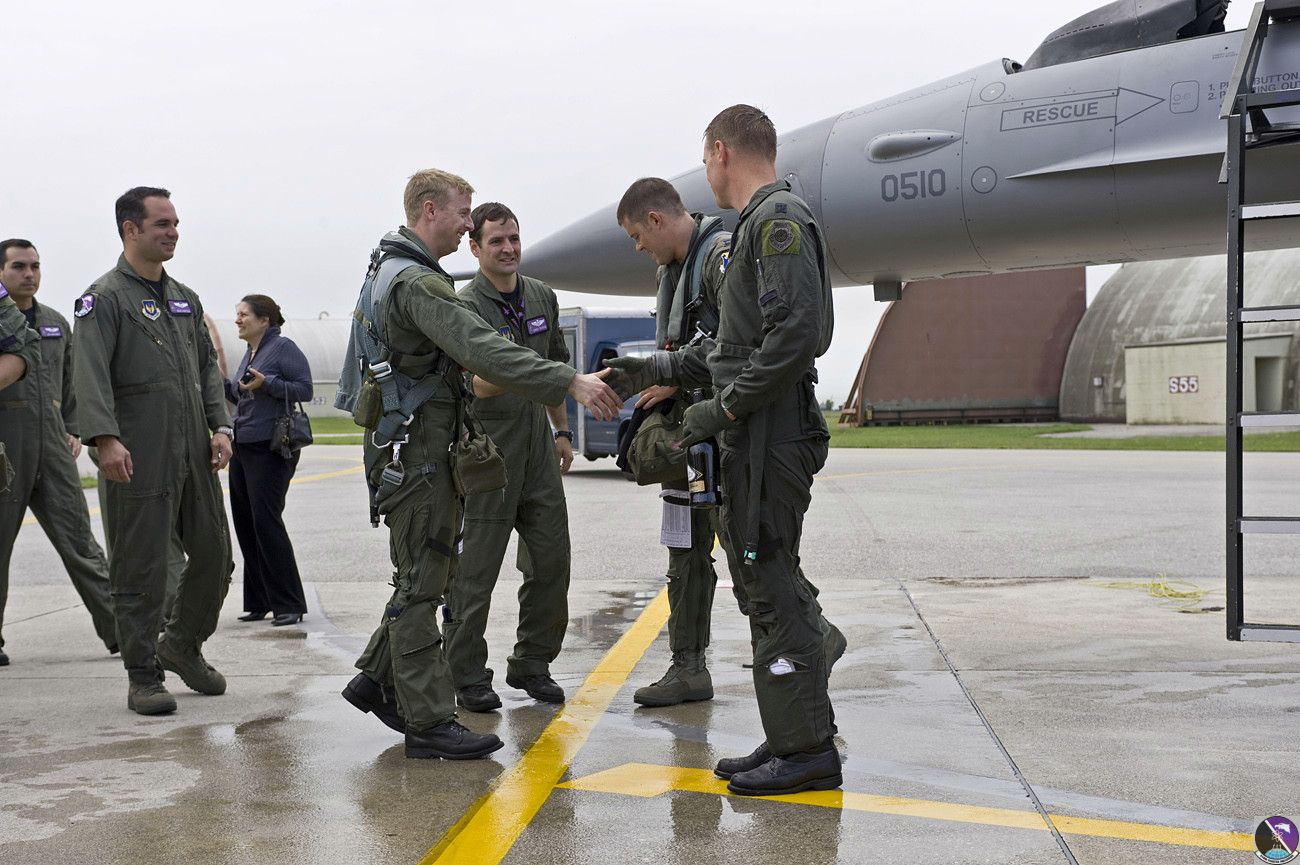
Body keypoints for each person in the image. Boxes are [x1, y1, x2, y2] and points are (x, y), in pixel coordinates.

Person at [337, 168, 622, 760]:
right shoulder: (418, 283)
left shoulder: (392, 268)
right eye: (464, 215)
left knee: (429, 574)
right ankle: (429, 721)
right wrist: (568, 381)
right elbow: (481, 350)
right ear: (430, 210)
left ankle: (375, 678)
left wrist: (558, 423)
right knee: (425, 585)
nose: (468, 224)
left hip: (425, 445)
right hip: (418, 452)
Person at [605, 105, 842, 796]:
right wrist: (650, 369)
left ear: (720, 152)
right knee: (761, 585)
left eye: (703, 157)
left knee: (770, 586)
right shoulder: (754, 225)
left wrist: (722, 409)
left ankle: (807, 749)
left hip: (769, 437)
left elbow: (795, 337)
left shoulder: (775, 221)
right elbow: (730, 347)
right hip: (754, 436)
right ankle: (792, 734)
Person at [72, 186, 235, 716]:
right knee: (139, 568)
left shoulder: (184, 298)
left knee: (215, 554)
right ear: (131, 229)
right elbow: (89, 373)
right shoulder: (103, 299)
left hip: (194, 449)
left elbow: (206, 367)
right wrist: (105, 439)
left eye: (175, 223)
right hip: (137, 452)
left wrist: (220, 426)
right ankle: (143, 675)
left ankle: (182, 644)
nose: (173, 232)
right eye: (162, 223)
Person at [442, 203, 574, 712]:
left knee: (551, 560)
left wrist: (562, 431)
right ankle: (466, 673)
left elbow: (556, 367)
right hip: (487, 451)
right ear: (475, 248)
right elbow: (476, 383)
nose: (508, 248)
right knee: (475, 572)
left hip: (538, 446)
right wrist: (525, 369)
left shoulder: (541, 296)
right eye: (496, 241)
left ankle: (532, 662)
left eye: (514, 238)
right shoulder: (464, 306)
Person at [614, 180, 731, 706]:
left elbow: (741, 346)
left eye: (638, 235)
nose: (639, 247)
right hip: (688, 439)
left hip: (723, 432)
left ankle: (811, 640)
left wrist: (670, 373)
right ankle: (688, 668)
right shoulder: (674, 272)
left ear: (657, 220)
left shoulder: (718, 259)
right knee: (684, 552)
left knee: (747, 555)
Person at [0, 240, 116, 667]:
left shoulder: (54, 322)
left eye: (35, 266)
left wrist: (73, 427)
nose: (29, 274)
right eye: (18, 266)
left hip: (51, 444)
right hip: (6, 444)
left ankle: (121, 631)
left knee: (80, 540)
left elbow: (70, 381)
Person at [225, 294, 312, 627]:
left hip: (271, 448)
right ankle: (259, 600)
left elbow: (304, 389)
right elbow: (242, 394)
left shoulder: (283, 348)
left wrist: (269, 384)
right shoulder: (251, 351)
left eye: (243, 314)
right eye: (237, 314)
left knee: (266, 521)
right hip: (244, 445)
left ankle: (289, 603)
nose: (237, 319)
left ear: (265, 320)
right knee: (246, 523)